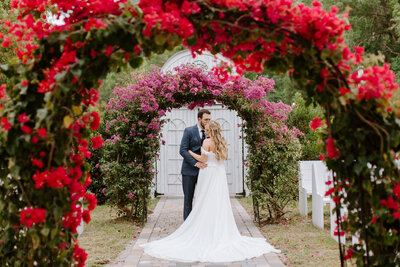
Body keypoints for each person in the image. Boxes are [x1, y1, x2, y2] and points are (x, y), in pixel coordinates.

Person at [140, 120, 280, 263]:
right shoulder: (222, 142)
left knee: (205, 200)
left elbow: (202, 158)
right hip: (219, 174)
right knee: (218, 201)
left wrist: (190, 152)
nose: (205, 132)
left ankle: (205, 230)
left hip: (208, 173)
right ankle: (218, 229)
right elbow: (221, 159)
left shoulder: (207, 142)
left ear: (211, 131)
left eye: (207, 130)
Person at [179, 109, 210, 220]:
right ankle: (187, 224)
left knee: (204, 199)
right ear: (199, 119)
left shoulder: (211, 133)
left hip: (205, 171)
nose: (208, 122)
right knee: (188, 199)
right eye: (206, 119)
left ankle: (201, 223)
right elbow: (183, 150)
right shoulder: (189, 131)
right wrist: (195, 163)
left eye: (209, 119)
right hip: (189, 171)